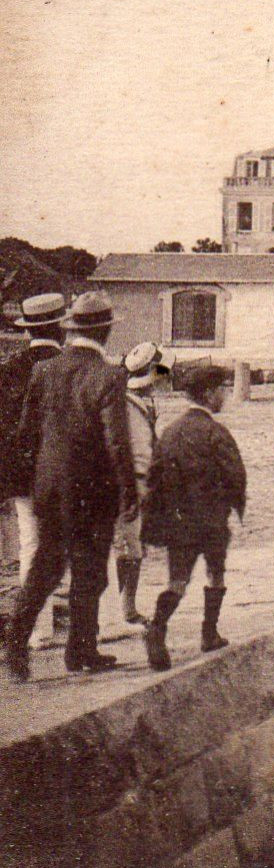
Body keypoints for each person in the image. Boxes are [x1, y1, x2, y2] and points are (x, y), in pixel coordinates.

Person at [6, 291, 139, 679]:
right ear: (107, 330)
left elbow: (25, 434)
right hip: (93, 492)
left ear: (72, 329)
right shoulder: (110, 375)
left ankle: (17, 647)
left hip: (49, 488)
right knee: (91, 572)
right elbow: (117, 441)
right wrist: (129, 490)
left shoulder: (44, 371)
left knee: (45, 568)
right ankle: (80, 651)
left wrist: (39, 480)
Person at [140, 364, 247, 671]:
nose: (224, 397)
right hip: (212, 521)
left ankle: (157, 627)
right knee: (216, 573)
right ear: (209, 394)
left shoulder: (170, 433)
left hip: (179, 523)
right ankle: (209, 633)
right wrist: (234, 508)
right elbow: (235, 476)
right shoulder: (216, 432)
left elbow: (154, 478)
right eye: (222, 391)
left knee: (177, 581)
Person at [0, 294, 66, 649]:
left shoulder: (10, 367)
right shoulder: (65, 365)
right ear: (59, 327)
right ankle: (90, 625)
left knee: (31, 544)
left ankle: (36, 630)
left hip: (19, 474)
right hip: (59, 472)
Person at [117, 342, 169, 626]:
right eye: (159, 372)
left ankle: (127, 605)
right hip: (131, 483)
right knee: (129, 549)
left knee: (136, 548)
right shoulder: (127, 404)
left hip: (142, 481)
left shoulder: (145, 400)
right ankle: (122, 607)